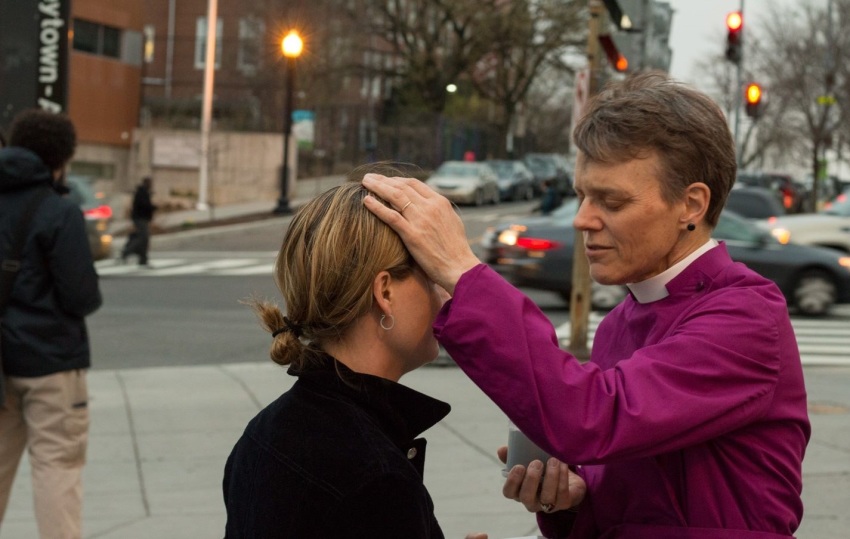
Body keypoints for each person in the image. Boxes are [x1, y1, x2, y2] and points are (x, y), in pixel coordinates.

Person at [361, 71, 810, 538]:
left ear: (691, 205)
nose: (582, 219)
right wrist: (570, 501)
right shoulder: (620, 322)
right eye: (581, 195)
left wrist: (461, 270)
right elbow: (637, 502)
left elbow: (593, 418)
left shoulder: (747, 316)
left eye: (610, 202)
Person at [222, 164, 455, 538]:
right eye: (431, 275)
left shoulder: (265, 430)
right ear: (385, 293)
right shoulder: (377, 478)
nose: (445, 294)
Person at [0, 109, 102, 538]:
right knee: (57, 470)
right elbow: (82, 296)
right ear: (60, 159)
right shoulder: (60, 213)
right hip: (52, 363)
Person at [120, 176, 157, 266]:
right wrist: (152, 208)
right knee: (142, 238)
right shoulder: (141, 193)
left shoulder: (144, 192)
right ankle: (127, 252)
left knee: (144, 238)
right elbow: (142, 205)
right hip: (140, 218)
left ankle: (142, 258)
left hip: (142, 218)